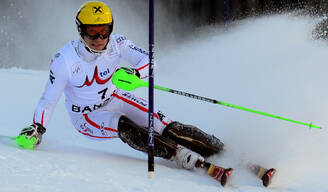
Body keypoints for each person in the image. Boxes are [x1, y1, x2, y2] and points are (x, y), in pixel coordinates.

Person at [19, 1, 224, 170]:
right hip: (86, 116)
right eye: (92, 32)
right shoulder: (64, 60)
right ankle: (179, 155)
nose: (99, 39)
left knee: (167, 127)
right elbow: (49, 99)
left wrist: (136, 73)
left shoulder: (118, 43)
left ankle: (222, 151)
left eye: (104, 31)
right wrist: (38, 128)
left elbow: (150, 61)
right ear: (81, 31)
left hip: (115, 98)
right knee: (125, 126)